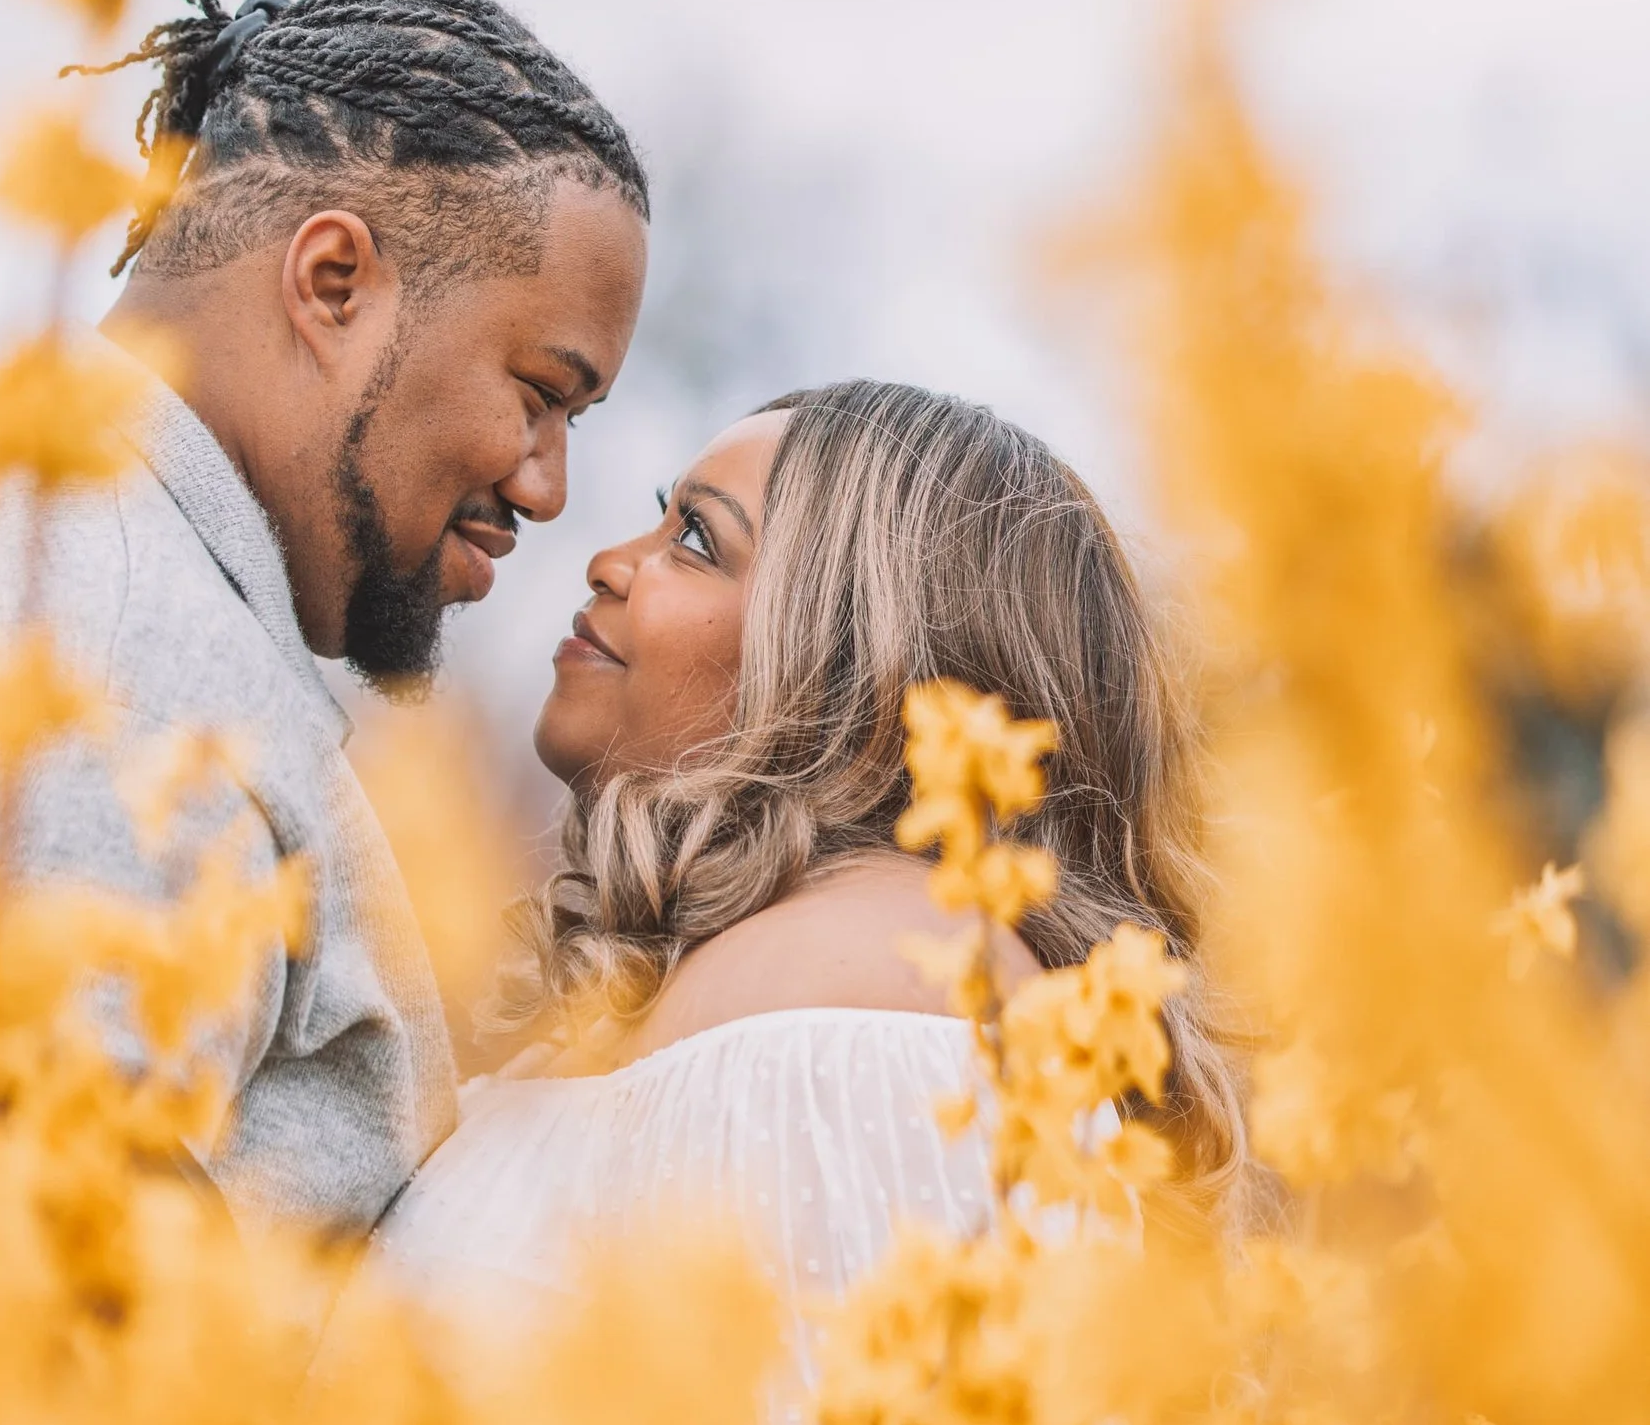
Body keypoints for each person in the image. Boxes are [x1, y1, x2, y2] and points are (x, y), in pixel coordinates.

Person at [0, 0, 649, 1238]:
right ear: (333, 282)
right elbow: (23, 1319)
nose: (549, 486)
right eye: (538, 393)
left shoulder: (35, 530)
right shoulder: (107, 661)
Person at [369, 377, 1239, 1329]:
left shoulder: (886, 989)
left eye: (696, 539)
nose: (608, 563)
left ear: (852, 662)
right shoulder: (722, 985)